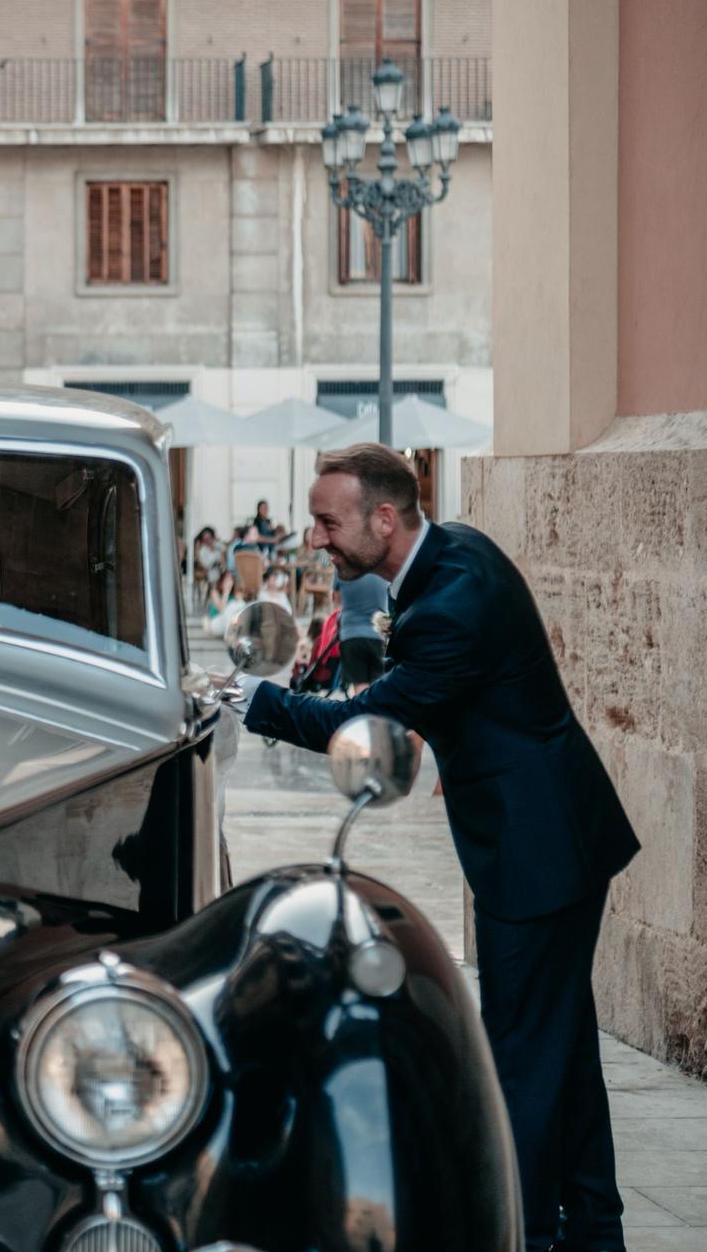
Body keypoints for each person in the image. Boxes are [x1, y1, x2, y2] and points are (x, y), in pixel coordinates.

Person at [228, 443, 639, 1252]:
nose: (315, 539)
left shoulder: (452, 600)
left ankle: (516, 1231)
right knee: (561, 1050)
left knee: (521, 1061)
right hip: (551, 835)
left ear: (385, 518)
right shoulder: (455, 552)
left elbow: (368, 719)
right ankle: (591, 1231)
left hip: (536, 852)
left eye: (327, 521)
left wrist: (252, 699)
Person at [335, 571, 389, 695]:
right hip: (379, 634)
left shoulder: (342, 562)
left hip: (351, 633)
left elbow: (337, 600)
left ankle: (365, 712)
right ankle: (377, 711)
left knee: (360, 684)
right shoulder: (381, 564)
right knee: (379, 683)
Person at [203, 569, 237, 636]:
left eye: (230, 580)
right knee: (231, 608)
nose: (229, 582)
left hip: (228, 624)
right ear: (222, 581)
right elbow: (221, 609)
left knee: (239, 604)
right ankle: (230, 636)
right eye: (227, 580)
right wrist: (226, 592)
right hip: (215, 622)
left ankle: (232, 635)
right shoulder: (214, 592)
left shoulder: (234, 594)